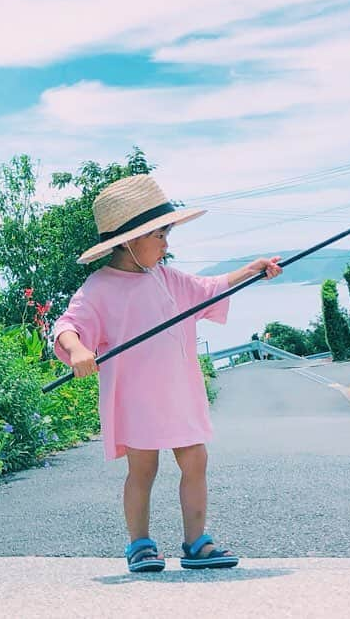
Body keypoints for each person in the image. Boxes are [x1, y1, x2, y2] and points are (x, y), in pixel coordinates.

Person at [52, 174, 282, 573]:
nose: (166, 244)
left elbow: (210, 287)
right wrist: (78, 351)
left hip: (181, 394)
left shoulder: (167, 277)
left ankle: (196, 543)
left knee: (196, 461)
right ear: (130, 241)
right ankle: (139, 544)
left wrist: (250, 271)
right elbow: (66, 326)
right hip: (136, 400)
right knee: (143, 469)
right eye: (160, 235)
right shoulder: (99, 288)